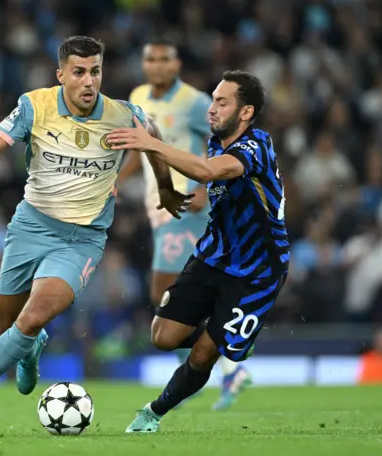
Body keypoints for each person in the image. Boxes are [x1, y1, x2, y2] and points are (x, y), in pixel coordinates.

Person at [0, 36, 189, 429]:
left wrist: (165, 188)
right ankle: (31, 349)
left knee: (30, 318)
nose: (88, 81)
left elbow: (154, 142)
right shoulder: (35, 105)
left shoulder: (122, 115)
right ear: (61, 74)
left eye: (95, 72)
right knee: (5, 329)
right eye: (79, 72)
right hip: (30, 227)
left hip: (81, 240)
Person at [107, 70, 289, 433]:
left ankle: (152, 413)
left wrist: (152, 144)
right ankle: (224, 331)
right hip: (212, 255)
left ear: (246, 112)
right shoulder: (214, 143)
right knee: (162, 337)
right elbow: (208, 178)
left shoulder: (256, 146)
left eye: (222, 102)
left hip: (257, 271)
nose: (212, 108)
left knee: (204, 353)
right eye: (212, 99)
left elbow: (208, 173)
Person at [118, 40, 252, 411]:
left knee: (166, 290)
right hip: (160, 207)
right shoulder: (138, 95)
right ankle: (215, 367)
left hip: (188, 207)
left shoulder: (195, 102)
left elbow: (222, 141)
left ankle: (224, 363)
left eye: (164, 59)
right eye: (150, 59)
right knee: (166, 295)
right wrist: (117, 180)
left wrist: (205, 188)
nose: (157, 66)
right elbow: (141, 147)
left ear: (176, 64)